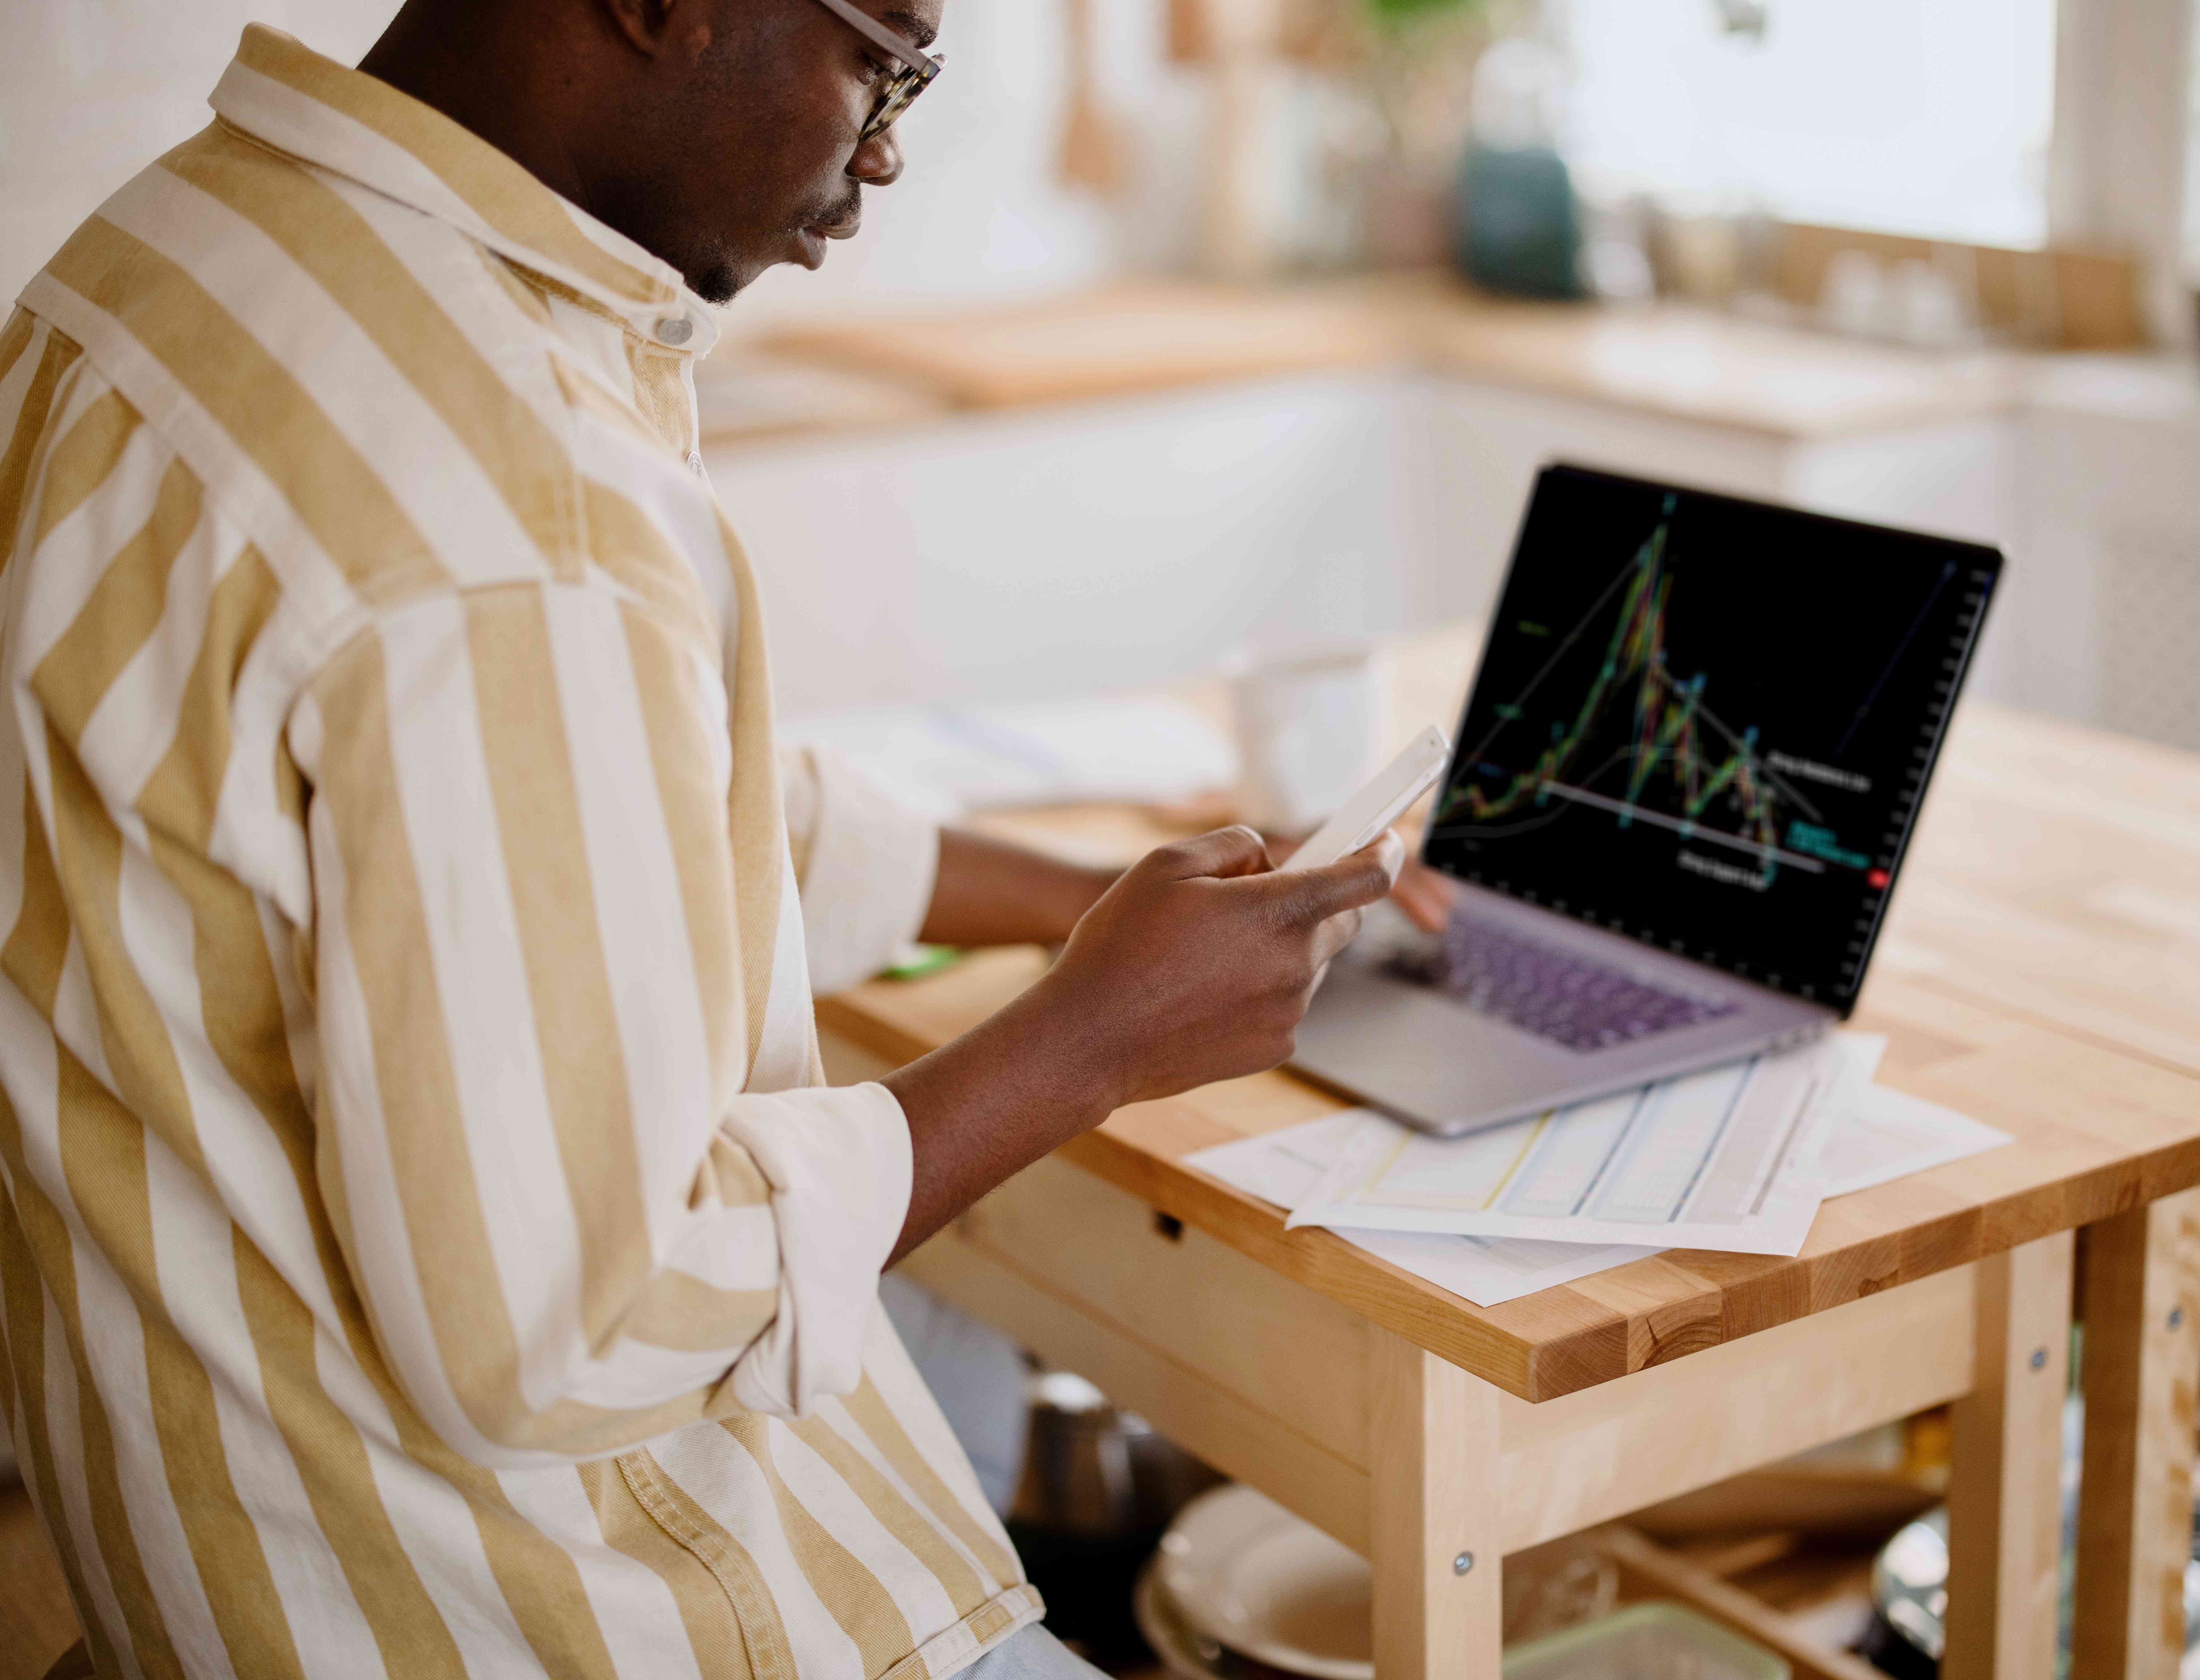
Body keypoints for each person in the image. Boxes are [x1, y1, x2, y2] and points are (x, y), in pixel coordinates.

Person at [0, 1, 1447, 1674]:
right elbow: (571, 1324)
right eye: (885, 61)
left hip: (212, 1548)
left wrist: (1078, 908)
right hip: (534, 1606)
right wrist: (1088, 1041)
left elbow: (582, 811)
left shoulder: (150, 273)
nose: (890, 146)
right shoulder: (502, 511)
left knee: (957, 1353)